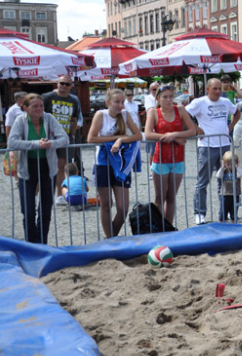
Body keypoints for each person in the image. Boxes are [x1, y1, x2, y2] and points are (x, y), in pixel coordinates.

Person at [8, 93, 69, 244]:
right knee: (28, 211)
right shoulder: (20, 120)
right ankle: (31, 245)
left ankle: (42, 244)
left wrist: (51, 143)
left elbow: (64, 139)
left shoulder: (49, 118)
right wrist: (35, 144)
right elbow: (12, 142)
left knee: (46, 210)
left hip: (48, 167)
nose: (39, 109)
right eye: (35, 106)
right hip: (26, 167)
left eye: (41, 106)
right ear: (25, 108)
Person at [87, 89, 142, 238]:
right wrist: (117, 137)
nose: (120, 105)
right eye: (117, 102)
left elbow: (137, 135)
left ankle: (110, 237)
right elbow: (91, 138)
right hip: (102, 162)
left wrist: (121, 140)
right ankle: (111, 239)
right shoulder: (101, 115)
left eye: (122, 102)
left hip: (121, 163)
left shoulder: (125, 115)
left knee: (123, 207)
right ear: (108, 102)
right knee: (106, 204)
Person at [186, 79, 238, 224]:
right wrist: (197, 129)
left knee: (226, 181)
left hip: (224, 145)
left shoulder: (225, 101)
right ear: (208, 88)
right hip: (207, 146)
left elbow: (237, 112)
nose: (218, 91)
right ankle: (199, 212)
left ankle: (225, 212)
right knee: (203, 181)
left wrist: (231, 126)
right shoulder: (199, 102)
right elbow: (184, 114)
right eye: (215, 88)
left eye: (220, 88)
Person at [144, 85, 197, 224]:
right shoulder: (154, 113)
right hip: (160, 159)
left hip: (178, 158)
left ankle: (168, 226)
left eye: (170, 97)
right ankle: (159, 226)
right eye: (165, 97)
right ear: (158, 98)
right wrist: (170, 137)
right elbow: (148, 134)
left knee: (172, 197)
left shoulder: (180, 110)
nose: (168, 100)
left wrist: (175, 135)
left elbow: (192, 130)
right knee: (160, 197)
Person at [43, 75, 81, 206]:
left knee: (62, 166)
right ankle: (38, 195)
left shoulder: (74, 100)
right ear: (57, 83)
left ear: (71, 86)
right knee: (43, 166)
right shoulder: (47, 97)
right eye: (61, 83)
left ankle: (59, 194)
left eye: (67, 84)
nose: (64, 86)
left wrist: (73, 135)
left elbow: (74, 119)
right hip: (48, 138)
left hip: (65, 138)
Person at [216, 150, 242, 222]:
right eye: (228, 164)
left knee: (234, 212)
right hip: (225, 194)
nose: (230, 166)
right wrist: (222, 167)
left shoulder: (236, 170)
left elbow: (240, 175)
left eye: (232, 164)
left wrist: (237, 168)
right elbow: (218, 175)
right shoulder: (224, 170)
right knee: (223, 212)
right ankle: (222, 223)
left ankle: (233, 223)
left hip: (235, 194)